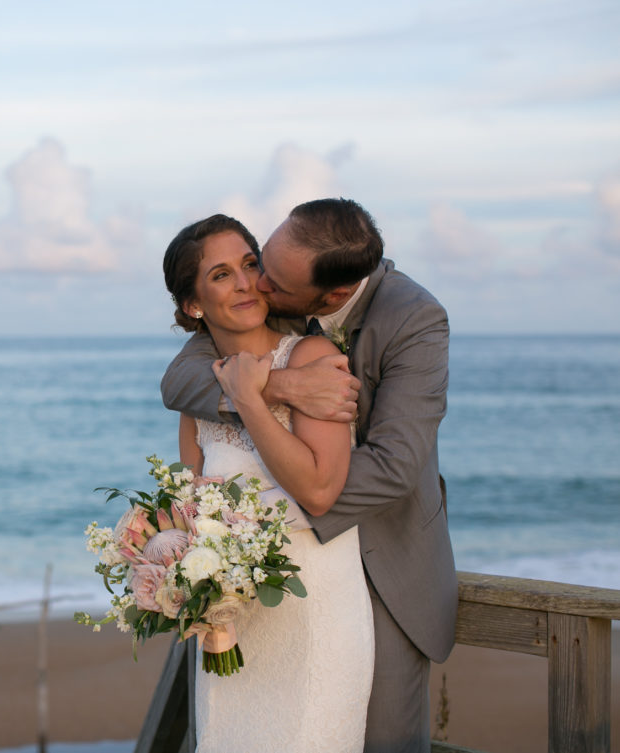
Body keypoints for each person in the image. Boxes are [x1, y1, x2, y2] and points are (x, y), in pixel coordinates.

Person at [161, 198, 457, 753]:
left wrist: (248, 530)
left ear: (333, 297)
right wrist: (278, 388)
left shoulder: (415, 320)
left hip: (383, 563)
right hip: (258, 590)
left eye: (264, 272)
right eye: (256, 262)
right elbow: (180, 380)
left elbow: (393, 467)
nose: (257, 285)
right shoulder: (269, 302)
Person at [162, 213, 375, 752]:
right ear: (193, 305)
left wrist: (252, 397)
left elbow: (320, 490)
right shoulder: (199, 391)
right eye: (220, 275)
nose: (243, 283)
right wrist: (171, 570)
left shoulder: (314, 359)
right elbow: (192, 508)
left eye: (250, 265)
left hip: (315, 612)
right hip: (235, 622)